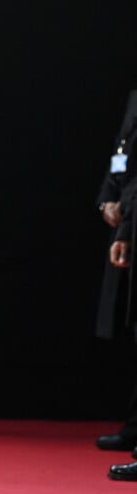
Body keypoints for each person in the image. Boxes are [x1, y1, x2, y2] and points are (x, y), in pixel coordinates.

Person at [94, 89, 137, 455]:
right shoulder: (134, 97)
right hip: (128, 217)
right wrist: (108, 197)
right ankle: (135, 427)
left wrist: (125, 219)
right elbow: (121, 154)